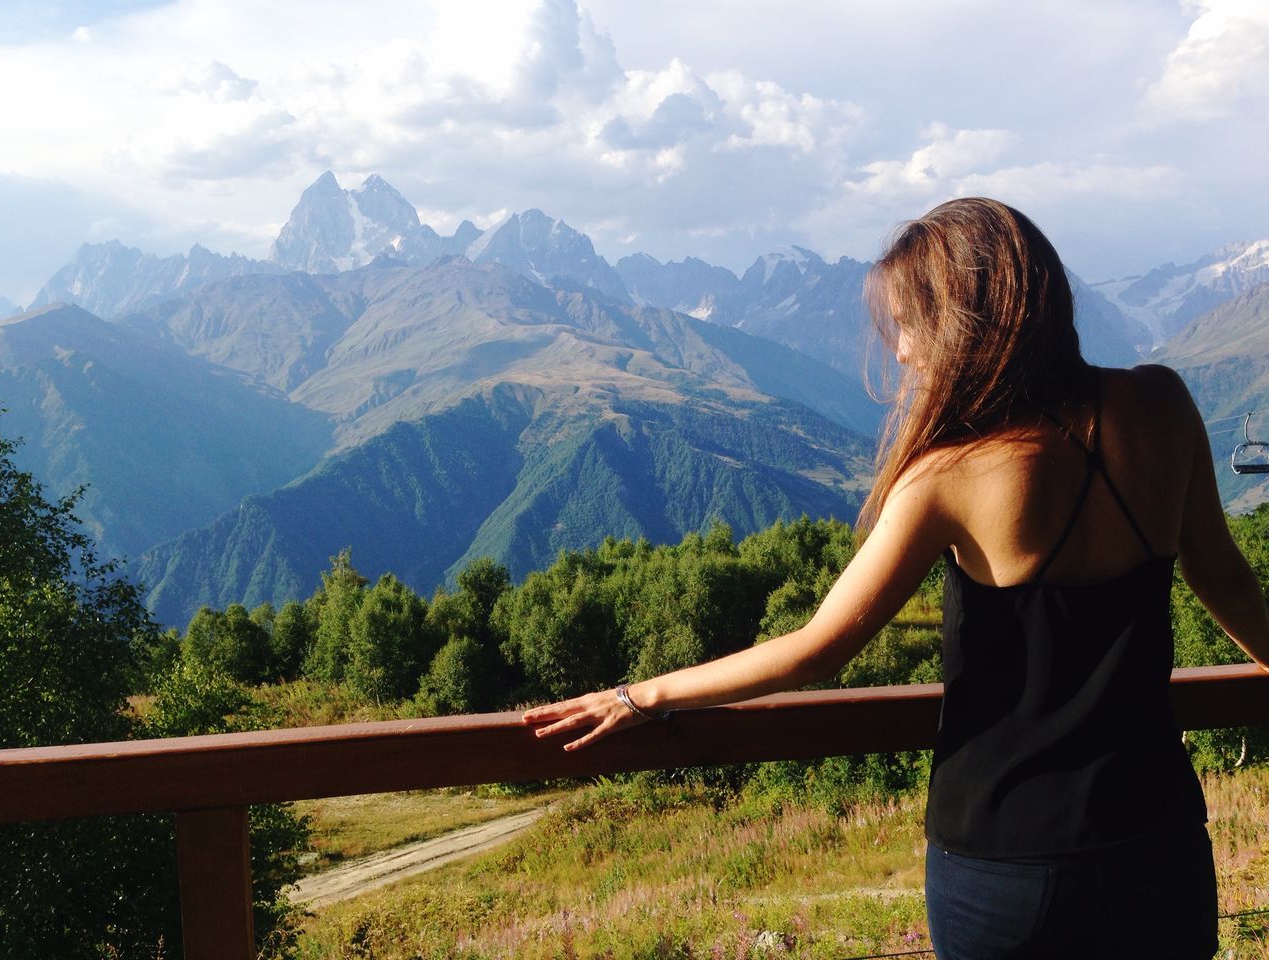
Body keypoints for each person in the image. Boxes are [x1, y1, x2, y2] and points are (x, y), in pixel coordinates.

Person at [523, 197, 1269, 959]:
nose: (905, 352)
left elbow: (817, 650)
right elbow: (1229, 583)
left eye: (909, 324)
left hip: (1007, 861)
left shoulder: (948, 475)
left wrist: (643, 693)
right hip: (1157, 840)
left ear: (962, 321)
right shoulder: (1163, 406)